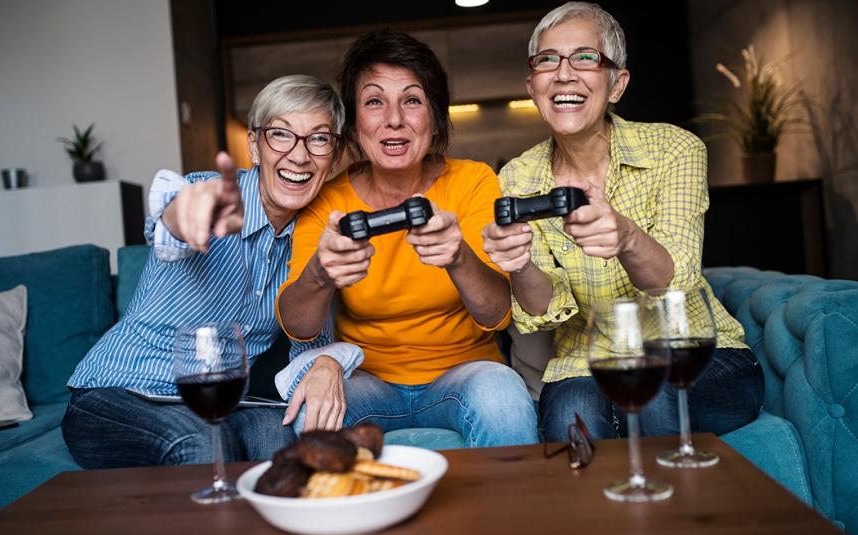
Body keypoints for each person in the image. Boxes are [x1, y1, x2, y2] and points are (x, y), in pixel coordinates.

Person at [481, 2, 764, 442]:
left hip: (691, 352)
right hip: (585, 361)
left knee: (655, 393)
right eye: (547, 60)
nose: (563, 73)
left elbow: (677, 278)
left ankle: (673, 508)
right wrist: (518, 264)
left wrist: (628, 237)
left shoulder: (674, 149)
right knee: (566, 423)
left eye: (586, 58)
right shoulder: (517, 176)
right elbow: (543, 310)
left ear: (617, 85)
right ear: (532, 85)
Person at [62, 75, 350, 468]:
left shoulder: (316, 239)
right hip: (121, 392)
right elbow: (172, 221)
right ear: (254, 145)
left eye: (318, 139)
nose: (299, 156)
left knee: (286, 455)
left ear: (333, 157)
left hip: (229, 400)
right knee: (204, 445)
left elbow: (309, 343)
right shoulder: (212, 192)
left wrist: (328, 362)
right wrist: (187, 212)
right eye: (281, 134)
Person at [275, 30, 539, 447]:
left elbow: (496, 316)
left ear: (434, 118)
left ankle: (506, 514)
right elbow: (298, 327)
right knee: (312, 416)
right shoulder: (329, 199)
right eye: (374, 101)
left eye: (412, 100)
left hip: (465, 372)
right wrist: (321, 275)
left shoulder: (472, 181)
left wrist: (458, 258)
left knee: (503, 398)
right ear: (353, 122)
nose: (393, 119)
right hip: (368, 380)